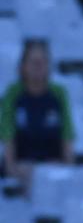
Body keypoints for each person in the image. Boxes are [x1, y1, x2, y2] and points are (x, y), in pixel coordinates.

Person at [0, 40, 74, 189]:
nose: (39, 66)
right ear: (23, 66)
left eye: (43, 62)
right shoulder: (12, 95)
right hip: (23, 166)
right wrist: (15, 170)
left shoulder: (59, 94)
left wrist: (67, 168)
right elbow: (8, 142)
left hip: (53, 166)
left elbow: (67, 138)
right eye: (34, 62)